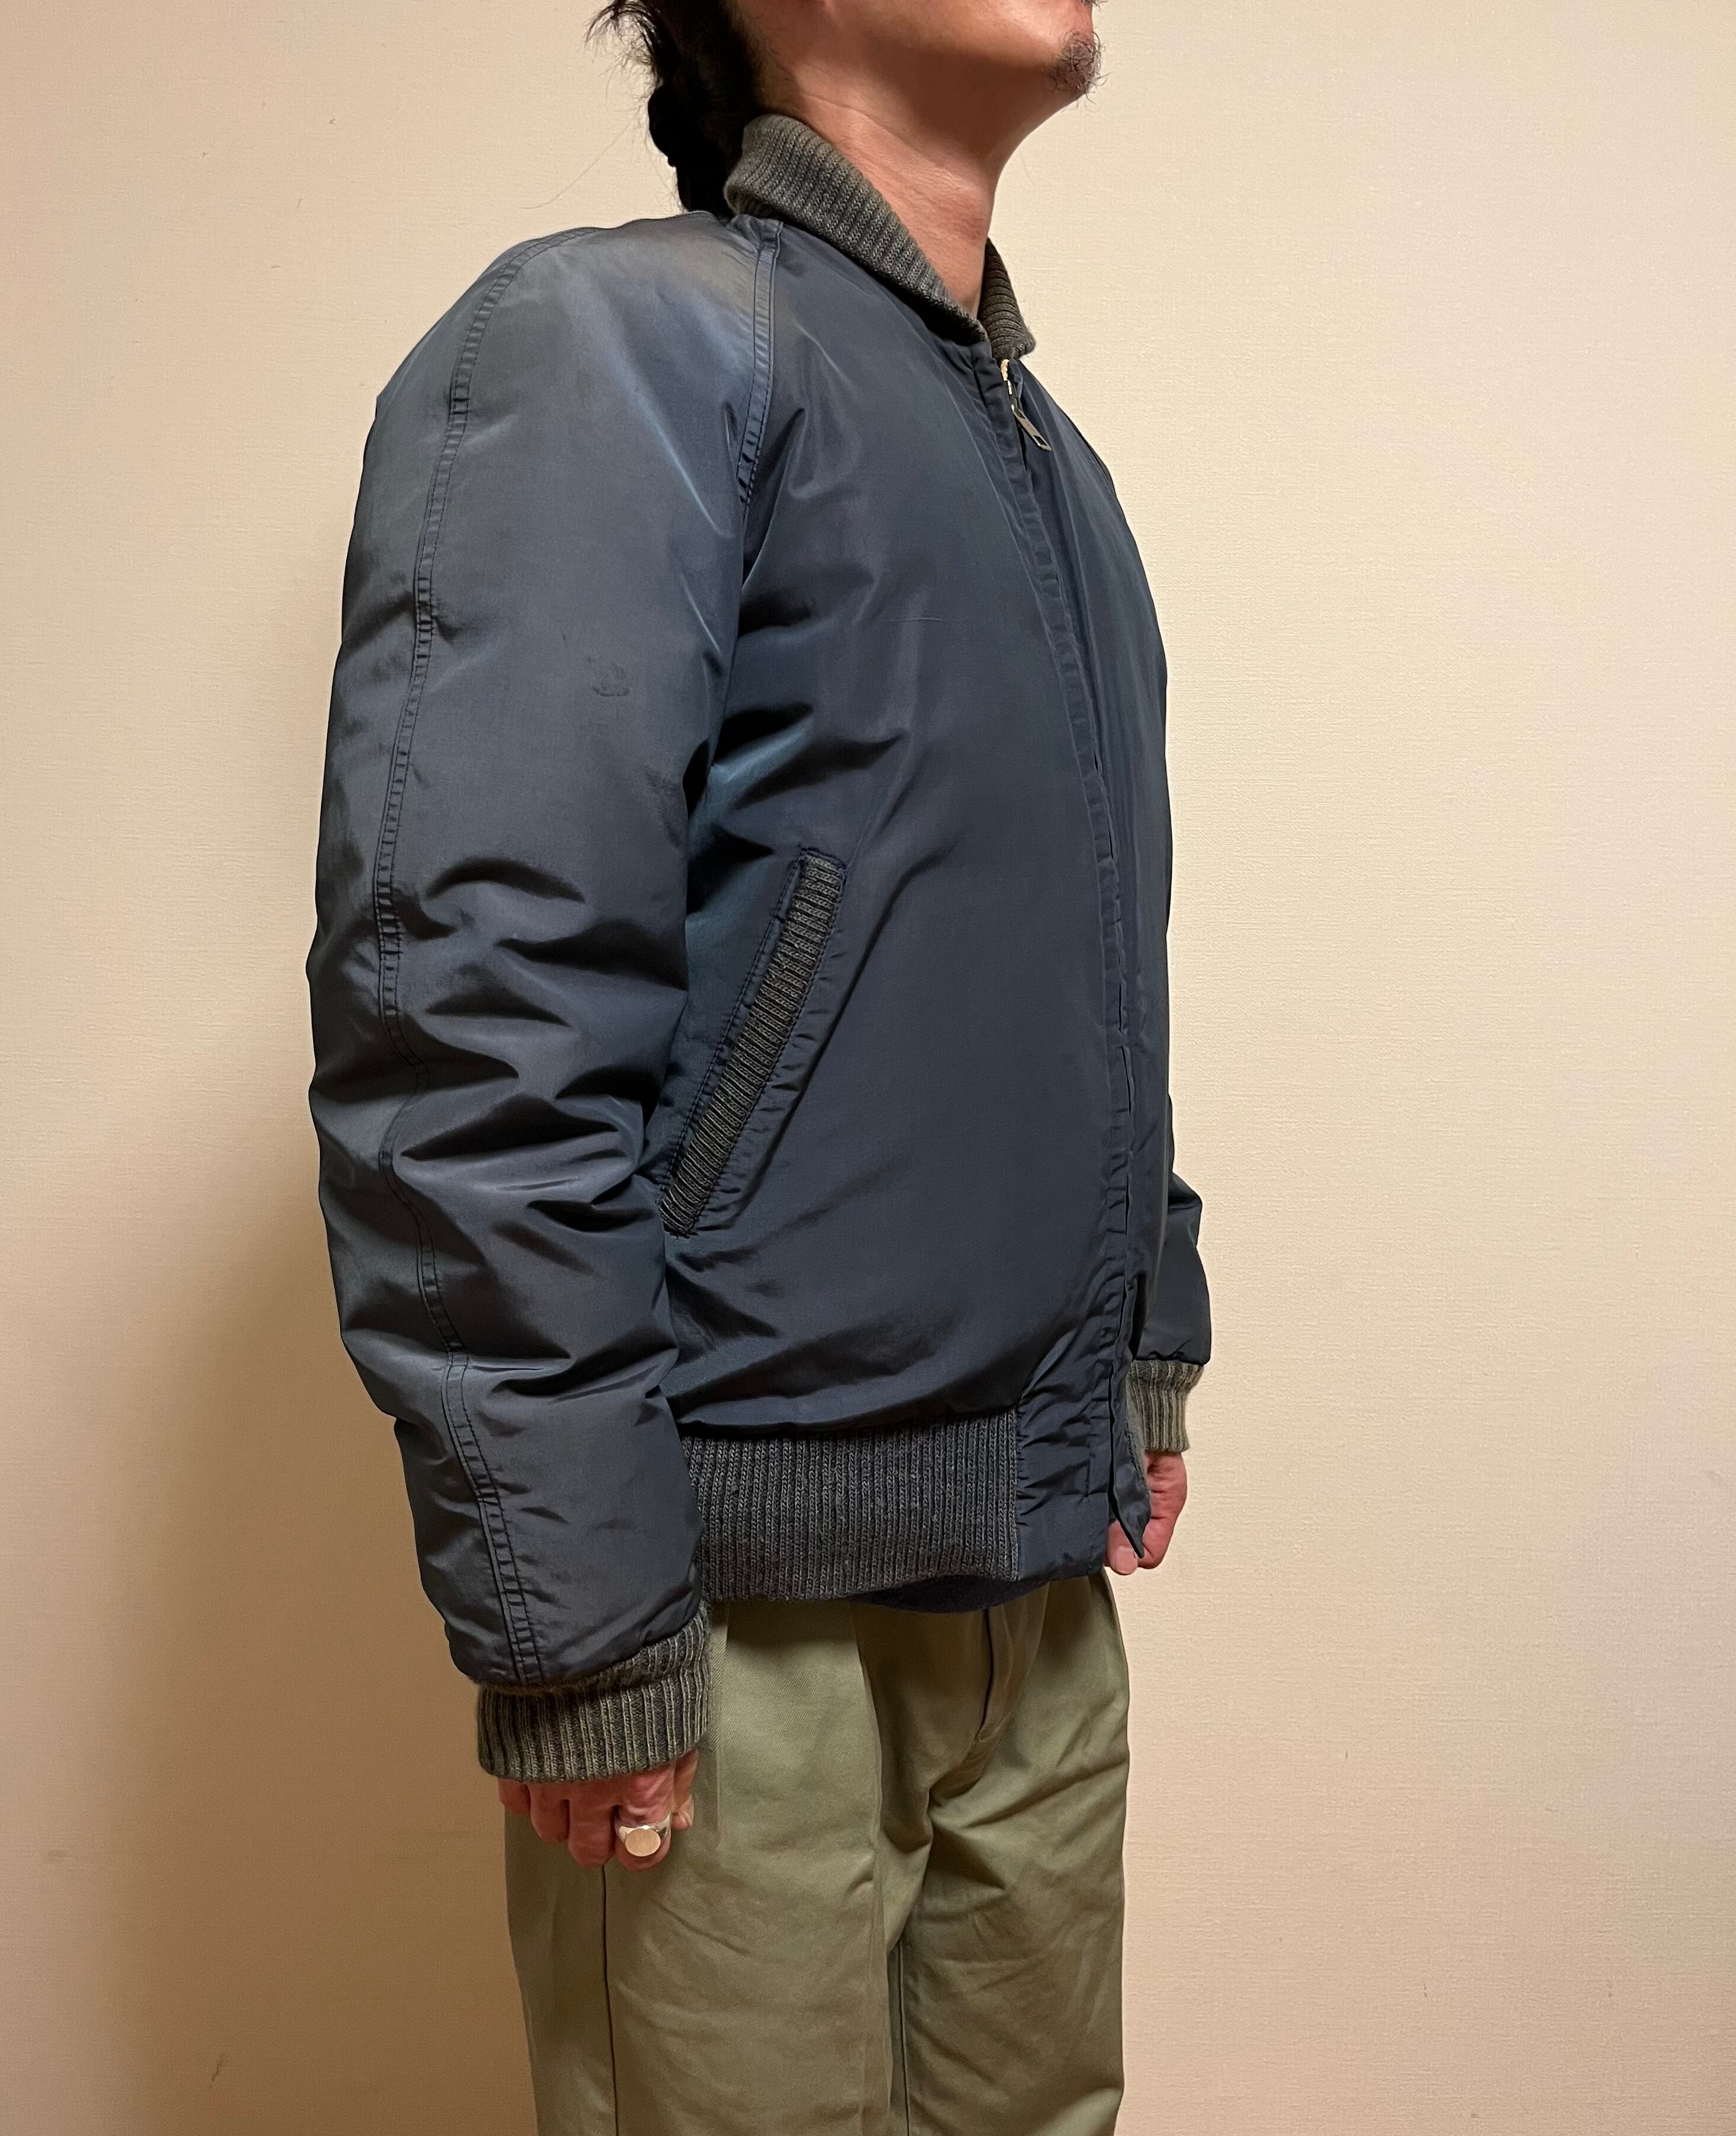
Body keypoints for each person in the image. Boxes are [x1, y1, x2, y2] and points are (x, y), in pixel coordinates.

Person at [307, 0, 1211, 2124]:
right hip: (730, 1609)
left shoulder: (1047, 458)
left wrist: (1141, 1337)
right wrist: (575, 1618)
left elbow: (1076, 953)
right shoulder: (617, 343)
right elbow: (464, 1017)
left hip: (1034, 1574)